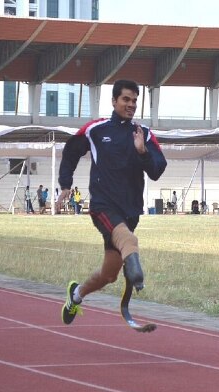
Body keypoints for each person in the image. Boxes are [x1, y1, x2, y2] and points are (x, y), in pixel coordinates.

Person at [58, 79, 167, 326]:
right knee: (129, 241)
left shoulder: (144, 134)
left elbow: (157, 170)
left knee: (109, 275)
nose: (131, 105)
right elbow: (71, 151)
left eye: (135, 101)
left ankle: (76, 295)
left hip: (130, 211)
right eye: (126, 99)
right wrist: (65, 184)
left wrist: (142, 152)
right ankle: (137, 275)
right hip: (103, 207)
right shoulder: (96, 129)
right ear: (114, 101)